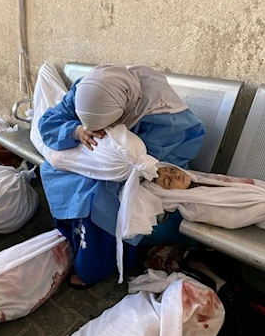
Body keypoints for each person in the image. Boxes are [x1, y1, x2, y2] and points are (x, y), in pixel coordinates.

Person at [38, 64, 206, 288]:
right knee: (55, 171)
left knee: (98, 198)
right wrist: (76, 131)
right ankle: (76, 239)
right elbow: (49, 123)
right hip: (102, 161)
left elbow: (153, 163)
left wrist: (107, 159)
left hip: (152, 168)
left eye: (109, 123)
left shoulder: (163, 115)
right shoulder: (87, 91)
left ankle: (94, 266)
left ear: (124, 109)